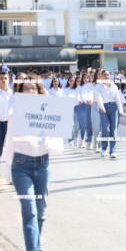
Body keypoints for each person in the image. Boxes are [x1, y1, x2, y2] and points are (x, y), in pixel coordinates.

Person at [5, 75, 63, 251]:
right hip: (21, 166)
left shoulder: (50, 112)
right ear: (21, 92)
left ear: (39, 91)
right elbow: (10, 143)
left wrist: (47, 141)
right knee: (29, 209)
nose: (31, 91)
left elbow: (58, 145)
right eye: (27, 88)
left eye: (34, 88)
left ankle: (35, 244)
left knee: (41, 211)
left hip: (43, 165)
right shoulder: (15, 113)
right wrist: (7, 172)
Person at [96, 70, 123, 158]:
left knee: (113, 130)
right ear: (102, 76)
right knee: (105, 130)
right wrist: (102, 107)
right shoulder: (99, 86)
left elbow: (118, 98)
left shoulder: (114, 86)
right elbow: (99, 98)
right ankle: (104, 148)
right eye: (104, 75)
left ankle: (113, 151)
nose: (106, 76)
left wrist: (121, 110)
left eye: (108, 75)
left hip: (113, 107)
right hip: (104, 107)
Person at [80, 72, 94, 150]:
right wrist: (88, 101)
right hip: (88, 105)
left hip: (98, 105)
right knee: (89, 124)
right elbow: (83, 95)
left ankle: (97, 142)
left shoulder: (98, 85)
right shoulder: (85, 86)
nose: (88, 79)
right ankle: (89, 140)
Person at [0, 72, 12, 159]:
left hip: (11, 125)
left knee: (13, 149)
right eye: (1, 78)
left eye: (5, 78)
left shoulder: (13, 94)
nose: (3, 80)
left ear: (9, 80)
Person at [90, 69, 102, 153]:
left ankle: (100, 145)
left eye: (102, 74)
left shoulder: (106, 85)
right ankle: (96, 143)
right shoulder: (92, 85)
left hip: (104, 107)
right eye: (98, 74)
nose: (100, 75)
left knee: (103, 128)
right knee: (96, 128)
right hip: (95, 106)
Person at [63, 76, 78, 146]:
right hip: (69, 108)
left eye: (73, 81)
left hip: (77, 108)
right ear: (68, 82)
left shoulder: (78, 89)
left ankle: (76, 138)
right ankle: (71, 139)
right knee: (71, 125)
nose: (72, 82)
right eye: (70, 81)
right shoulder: (65, 90)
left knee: (77, 125)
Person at [73, 76, 86, 148]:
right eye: (78, 81)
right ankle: (75, 138)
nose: (79, 81)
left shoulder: (88, 87)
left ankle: (82, 141)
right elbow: (77, 95)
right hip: (79, 106)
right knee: (78, 126)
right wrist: (80, 100)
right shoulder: (78, 88)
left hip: (87, 106)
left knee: (84, 125)